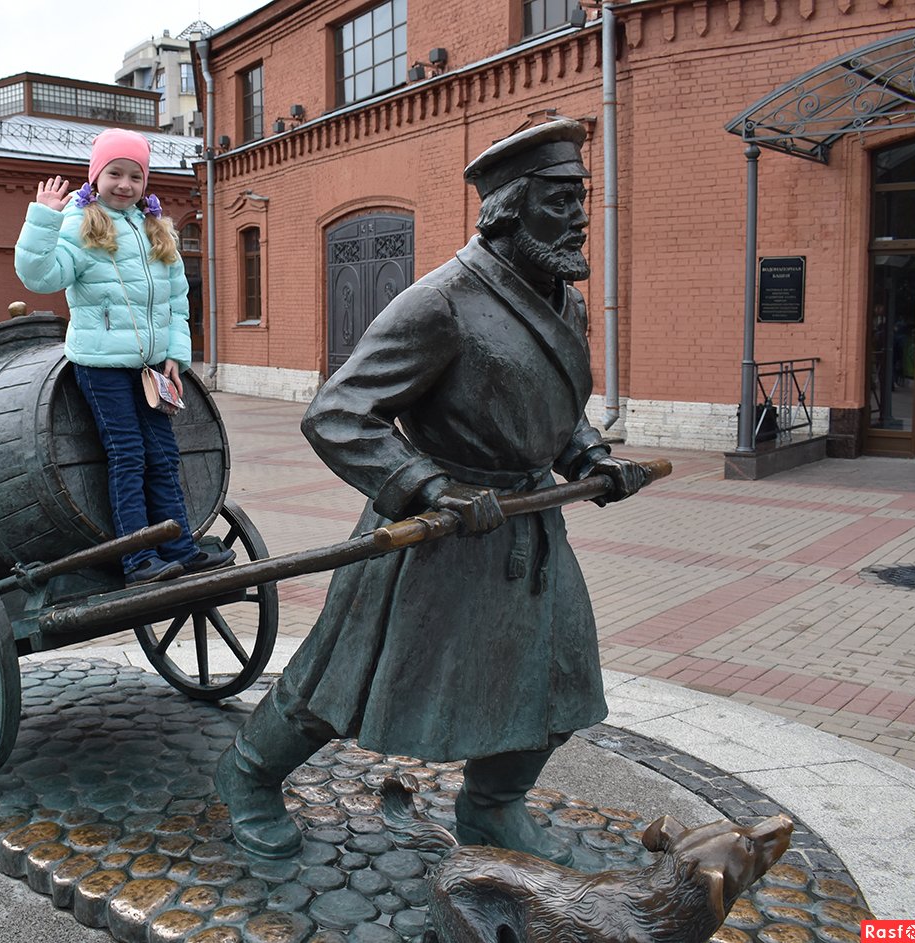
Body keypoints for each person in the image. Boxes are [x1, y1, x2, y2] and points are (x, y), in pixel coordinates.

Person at [215, 117, 652, 861]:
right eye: (559, 200)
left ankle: (491, 805)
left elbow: (553, 399)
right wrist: (424, 485)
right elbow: (338, 411)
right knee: (339, 679)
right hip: (434, 532)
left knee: (562, 676)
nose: (580, 217)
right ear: (510, 209)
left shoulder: (562, 298)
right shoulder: (440, 302)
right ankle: (250, 774)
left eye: (582, 198)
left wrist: (588, 456)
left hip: (525, 527)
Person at [14, 128, 234, 584]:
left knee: (163, 455)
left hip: (151, 368)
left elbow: (177, 299)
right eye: (114, 173)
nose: (125, 184)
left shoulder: (156, 230)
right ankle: (137, 559)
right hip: (101, 366)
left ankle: (180, 548)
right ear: (97, 176)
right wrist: (43, 220)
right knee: (128, 454)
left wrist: (176, 352)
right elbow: (39, 277)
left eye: (135, 176)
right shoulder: (78, 225)